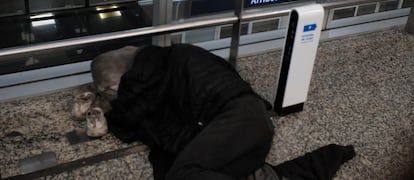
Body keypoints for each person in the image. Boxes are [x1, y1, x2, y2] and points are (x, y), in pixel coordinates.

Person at [72, 44, 355, 180]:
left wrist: (117, 108)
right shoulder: (189, 55)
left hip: (238, 116)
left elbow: (137, 111)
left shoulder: (151, 70)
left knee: (181, 174)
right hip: (252, 125)